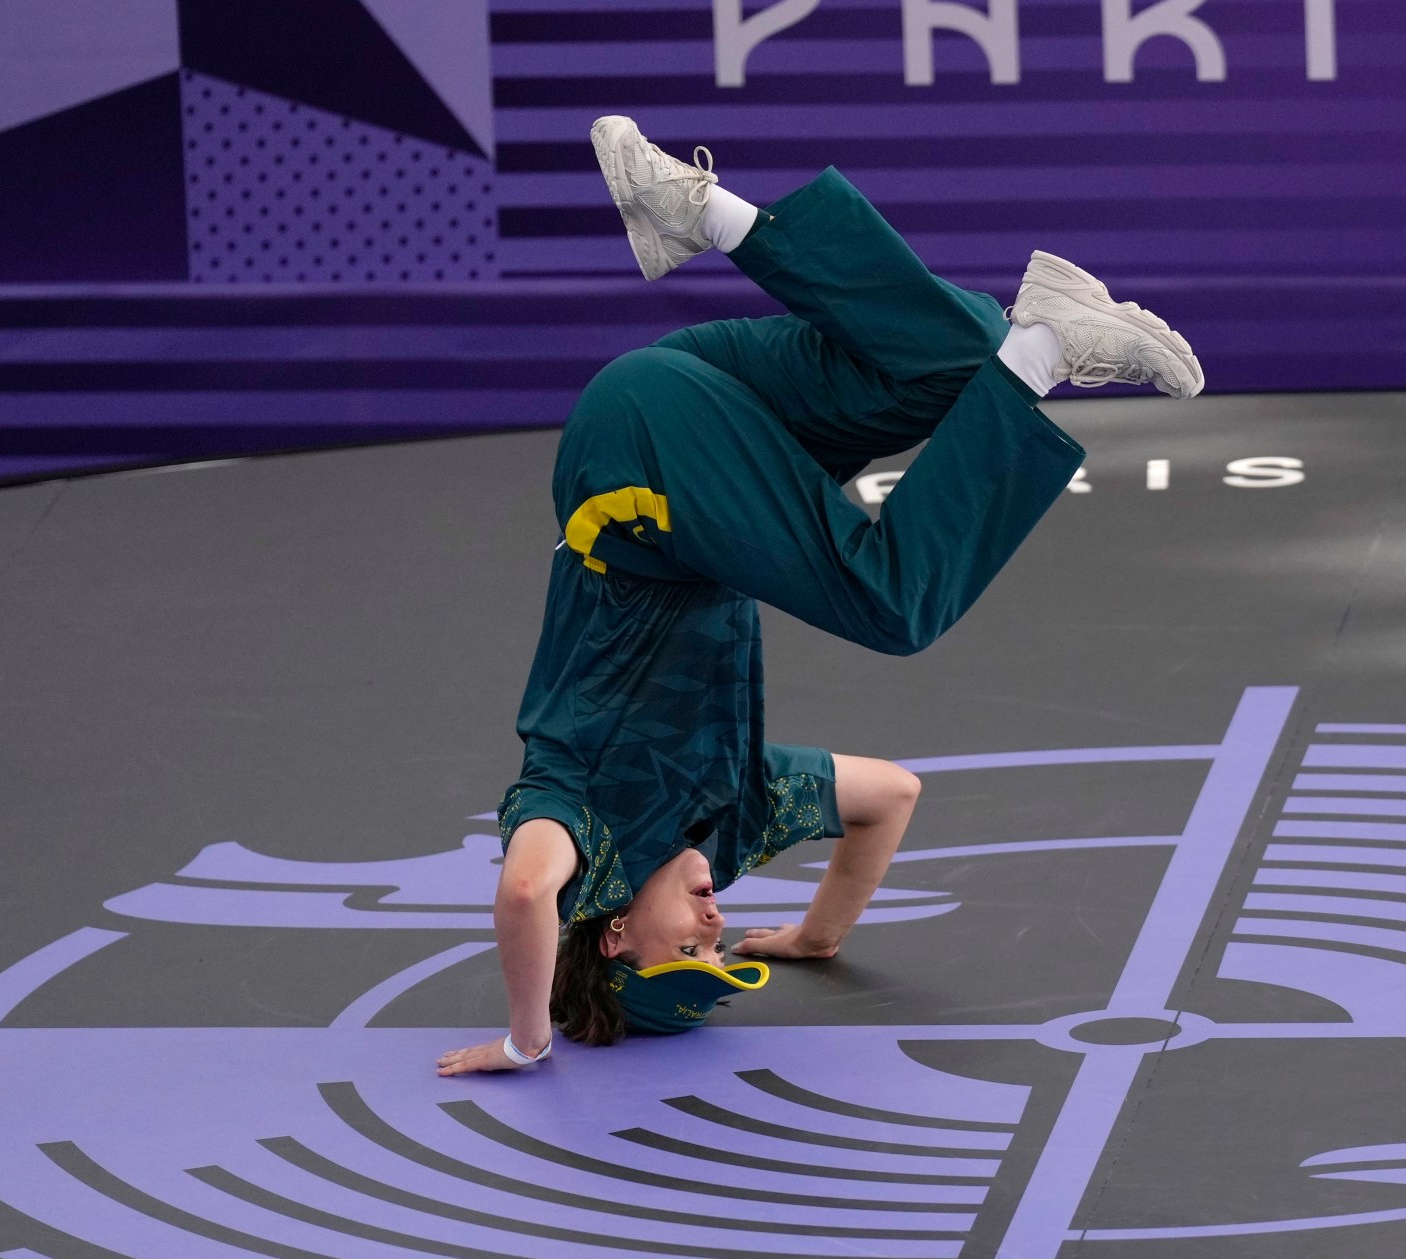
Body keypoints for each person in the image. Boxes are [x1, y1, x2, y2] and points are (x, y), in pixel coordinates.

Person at [438, 116, 1201, 1076]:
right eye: (722, 950)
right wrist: (819, 934)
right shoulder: (735, 816)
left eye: (689, 948)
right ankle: (702, 213)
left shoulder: (582, 833)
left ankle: (1048, 352)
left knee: (894, 604)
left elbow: (523, 895)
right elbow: (890, 796)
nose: (716, 926)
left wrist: (528, 1037)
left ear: (614, 935)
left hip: (636, 481)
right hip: (690, 424)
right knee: (958, 361)